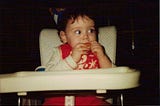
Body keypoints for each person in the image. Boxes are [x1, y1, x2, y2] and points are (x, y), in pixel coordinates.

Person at [43, 8, 113, 106]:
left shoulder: (98, 51)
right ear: (64, 36)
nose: (86, 36)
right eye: (78, 32)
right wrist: (72, 58)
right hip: (58, 101)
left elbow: (113, 76)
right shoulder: (59, 51)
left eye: (91, 30)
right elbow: (47, 76)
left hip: (91, 100)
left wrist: (102, 57)